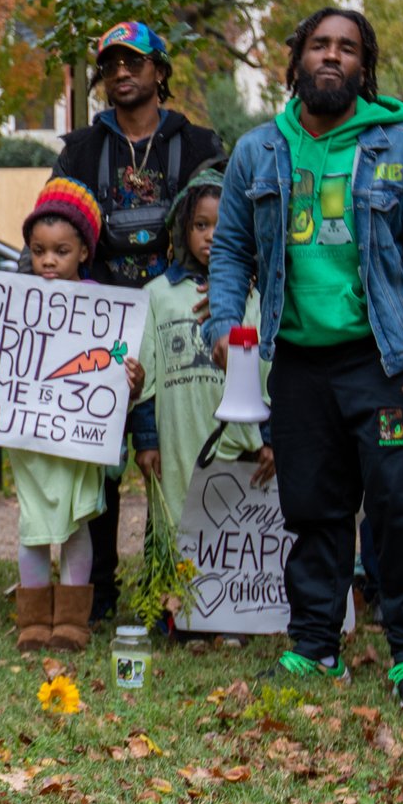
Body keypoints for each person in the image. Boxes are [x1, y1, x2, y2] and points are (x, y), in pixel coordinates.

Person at [209, 7, 403, 707]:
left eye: (347, 48)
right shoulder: (259, 151)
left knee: (400, 509)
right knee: (312, 510)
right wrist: (225, 328)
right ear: (295, 62)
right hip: (298, 367)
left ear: (364, 66)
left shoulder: (401, 149)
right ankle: (316, 646)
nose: (332, 57)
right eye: (319, 45)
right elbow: (230, 250)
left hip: (384, 365)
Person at [50, 20, 226, 621]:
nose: (121, 72)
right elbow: (51, 229)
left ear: (159, 70)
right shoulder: (79, 150)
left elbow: (232, 229)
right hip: (100, 328)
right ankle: (96, 596)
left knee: (172, 460)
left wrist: (225, 291)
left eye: (134, 61)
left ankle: (175, 590)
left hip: (181, 324)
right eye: (111, 64)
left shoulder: (202, 145)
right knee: (97, 468)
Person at [0, 179, 143, 651]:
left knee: (78, 523)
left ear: (83, 251)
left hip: (79, 443)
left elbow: (115, 367)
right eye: (38, 250)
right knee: (34, 526)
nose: (48, 261)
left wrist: (130, 378)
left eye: (60, 250)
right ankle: (34, 620)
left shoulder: (106, 306)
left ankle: (73, 621)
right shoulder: (13, 303)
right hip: (32, 444)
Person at [130, 170, 267, 539]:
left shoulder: (252, 298)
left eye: (223, 225)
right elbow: (148, 378)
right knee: (176, 523)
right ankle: (172, 597)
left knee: (237, 531)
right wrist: (146, 441)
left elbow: (268, 376)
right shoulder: (156, 295)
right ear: (181, 231)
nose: (211, 235)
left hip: (240, 442)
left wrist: (269, 439)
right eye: (200, 225)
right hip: (177, 438)